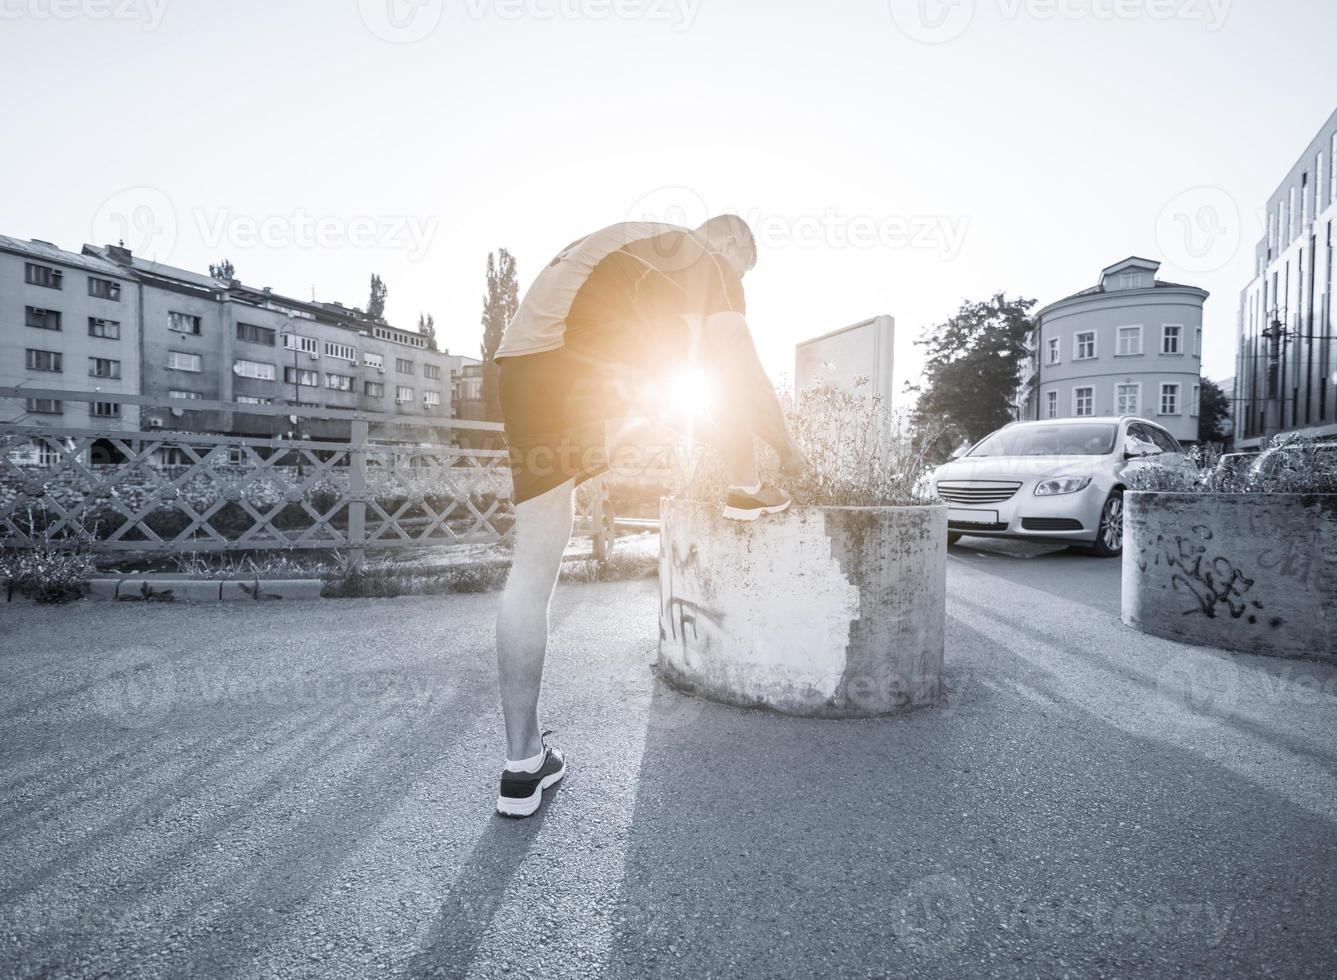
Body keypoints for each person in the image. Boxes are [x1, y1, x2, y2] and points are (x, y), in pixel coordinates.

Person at [492, 214, 807, 817]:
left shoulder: (646, 251)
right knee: (723, 367)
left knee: (533, 565)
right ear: (734, 244)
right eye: (746, 266)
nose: (739, 282)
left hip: (524, 364)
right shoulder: (707, 259)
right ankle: (746, 484)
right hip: (573, 363)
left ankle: (522, 766)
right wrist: (789, 448)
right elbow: (737, 359)